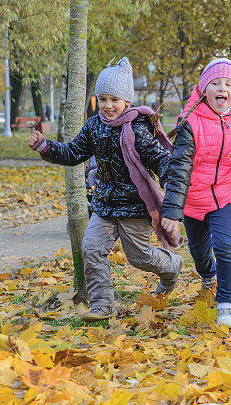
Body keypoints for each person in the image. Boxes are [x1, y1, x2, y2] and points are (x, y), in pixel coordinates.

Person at [28, 57, 182, 321]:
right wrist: (46, 147)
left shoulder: (138, 128)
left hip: (134, 207)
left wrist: (168, 181)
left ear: (127, 102)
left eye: (115, 100)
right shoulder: (93, 126)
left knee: (140, 258)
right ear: (96, 100)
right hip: (104, 205)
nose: (108, 106)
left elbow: (160, 159)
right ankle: (102, 305)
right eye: (103, 99)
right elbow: (73, 153)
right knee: (91, 248)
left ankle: (171, 265)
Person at [160, 58, 231, 328]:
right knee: (199, 250)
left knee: (225, 245)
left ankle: (226, 303)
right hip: (193, 197)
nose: (221, 88)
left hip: (226, 193)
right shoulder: (191, 121)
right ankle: (208, 275)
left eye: (227, 84)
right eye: (215, 83)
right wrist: (173, 211)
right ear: (204, 90)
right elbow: (179, 168)